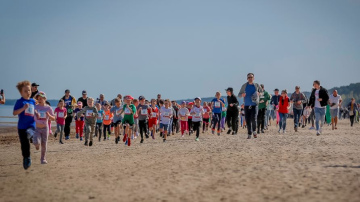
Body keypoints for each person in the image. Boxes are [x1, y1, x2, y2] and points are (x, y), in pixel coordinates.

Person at [13, 80, 36, 170]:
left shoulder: (33, 101)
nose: (28, 92)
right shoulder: (20, 102)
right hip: (22, 127)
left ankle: (32, 136)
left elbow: (36, 110)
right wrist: (23, 108)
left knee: (29, 134)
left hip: (31, 125)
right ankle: (26, 158)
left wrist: (37, 113)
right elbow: (15, 113)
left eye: (29, 90)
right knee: (24, 144)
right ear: (21, 92)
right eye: (25, 91)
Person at [238, 73, 263, 139]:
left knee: (253, 119)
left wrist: (259, 93)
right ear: (247, 78)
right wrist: (242, 95)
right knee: (248, 120)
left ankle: (254, 131)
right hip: (246, 105)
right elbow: (239, 95)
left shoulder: (256, 85)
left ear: (253, 78)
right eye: (249, 77)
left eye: (251, 77)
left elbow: (262, 92)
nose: (250, 78)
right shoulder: (244, 86)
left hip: (254, 105)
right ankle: (249, 133)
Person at [33, 91, 55, 164]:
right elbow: (31, 115)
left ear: (45, 99)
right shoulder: (35, 107)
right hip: (37, 128)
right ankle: (37, 145)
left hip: (45, 128)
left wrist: (49, 114)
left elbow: (53, 118)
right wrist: (36, 113)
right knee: (36, 142)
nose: (39, 100)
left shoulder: (48, 108)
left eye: (41, 98)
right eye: (38, 99)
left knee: (44, 144)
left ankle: (43, 159)